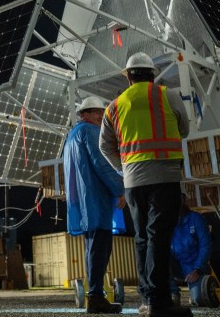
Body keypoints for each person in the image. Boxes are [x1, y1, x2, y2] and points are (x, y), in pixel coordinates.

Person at [101, 52, 191, 317]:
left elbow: (104, 146)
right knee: (158, 238)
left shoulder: (114, 106)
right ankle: (158, 301)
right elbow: (184, 129)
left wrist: (123, 167)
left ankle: (146, 298)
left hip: (133, 181)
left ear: (129, 77)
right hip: (164, 177)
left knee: (142, 238)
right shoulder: (168, 95)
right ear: (153, 74)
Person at [65, 95, 125, 314]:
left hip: (83, 205)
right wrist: (119, 189)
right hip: (96, 202)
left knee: (92, 249)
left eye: (102, 112)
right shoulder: (90, 132)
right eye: (95, 112)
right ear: (84, 114)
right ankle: (96, 297)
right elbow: (102, 163)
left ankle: (95, 296)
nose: (101, 116)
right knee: (100, 250)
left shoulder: (71, 136)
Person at [170, 196, 212, 307]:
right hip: (176, 267)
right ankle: (173, 294)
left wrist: (198, 269)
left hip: (195, 268)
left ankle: (196, 292)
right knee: (158, 257)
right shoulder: (167, 222)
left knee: (199, 300)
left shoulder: (197, 219)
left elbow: (205, 246)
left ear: (183, 200)